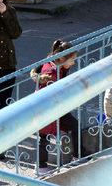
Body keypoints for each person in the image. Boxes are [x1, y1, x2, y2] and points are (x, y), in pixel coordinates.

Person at [31, 40, 82, 172]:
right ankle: (41, 166)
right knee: (44, 135)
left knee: (46, 135)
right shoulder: (51, 72)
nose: (74, 62)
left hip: (54, 107)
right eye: (72, 59)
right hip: (47, 108)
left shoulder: (59, 65)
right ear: (61, 57)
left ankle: (76, 156)